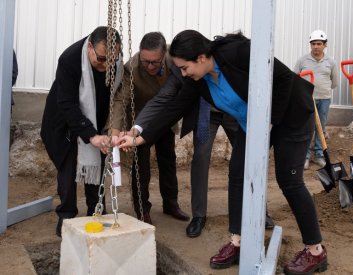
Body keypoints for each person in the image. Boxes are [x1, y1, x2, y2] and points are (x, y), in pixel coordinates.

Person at [118, 30, 328, 274]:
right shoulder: (199, 81)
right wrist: (140, 137)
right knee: (237, 175)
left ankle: (315, 251)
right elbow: (173, 106)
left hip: (290, 115)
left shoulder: (238, 53)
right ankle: (238, 241)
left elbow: (283, 79)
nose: (183, 74)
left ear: (201, 57)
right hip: (252, 124)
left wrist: (269, 124)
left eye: (185, 68)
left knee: (289, 181)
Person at [40, 26, 123, 237]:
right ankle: (66, 215)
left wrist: (102, 130)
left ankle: (96, 210)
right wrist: (90, 134)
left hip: (98, 116)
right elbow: (67, 103)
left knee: (97, 163)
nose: (106, 66)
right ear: (89, 48)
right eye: (101, 59)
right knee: (68, 169)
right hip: (64, 118)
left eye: (111, 61)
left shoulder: (115, 60)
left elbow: (118, 95)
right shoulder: (69, 59)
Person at [111, 32, 189, 224]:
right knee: (141, 168)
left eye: (155, 62)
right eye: (146, 62)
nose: (150, 66)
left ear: (164, 55)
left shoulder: (175, 57)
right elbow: (121, 100)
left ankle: (171, 204)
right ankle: (142, 209)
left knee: (168, 161)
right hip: (140, 121)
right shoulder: (131, 68)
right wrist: (115, 130)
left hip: (165, 120)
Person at [293, 30, 338, 170]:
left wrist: (322, 89)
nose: (316, 46)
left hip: (324, 99)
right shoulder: (302, 60)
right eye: (313, 44)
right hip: (307, 99)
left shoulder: (330, 62)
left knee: (320, 127)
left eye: (319, 44)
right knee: (306, 127)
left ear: (325, 45)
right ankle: (305, 156)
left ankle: (319, 155)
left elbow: (334, 82)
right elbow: (295, 79)